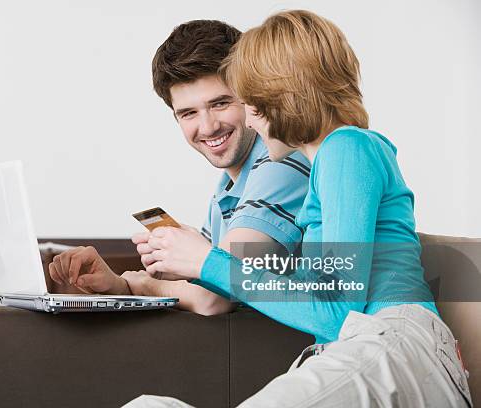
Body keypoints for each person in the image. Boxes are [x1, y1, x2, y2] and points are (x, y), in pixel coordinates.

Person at [122, 10, 472, 408]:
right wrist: (188, 262)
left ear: (286, 96)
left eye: (249, 103)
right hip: (360, 347)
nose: (251, 121)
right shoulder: (329, 163)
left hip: (393, 342)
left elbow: (336, 310)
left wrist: (209, 263)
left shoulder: (348, 148)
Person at [48, 20, 309, 315]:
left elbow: (213, 299)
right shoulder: (228, 187)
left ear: (252, 97)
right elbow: (208, 283)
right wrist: (120, 285)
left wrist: (139, 285)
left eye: (221, 103)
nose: (208, 126)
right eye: (188, 113)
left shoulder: (281, 164)